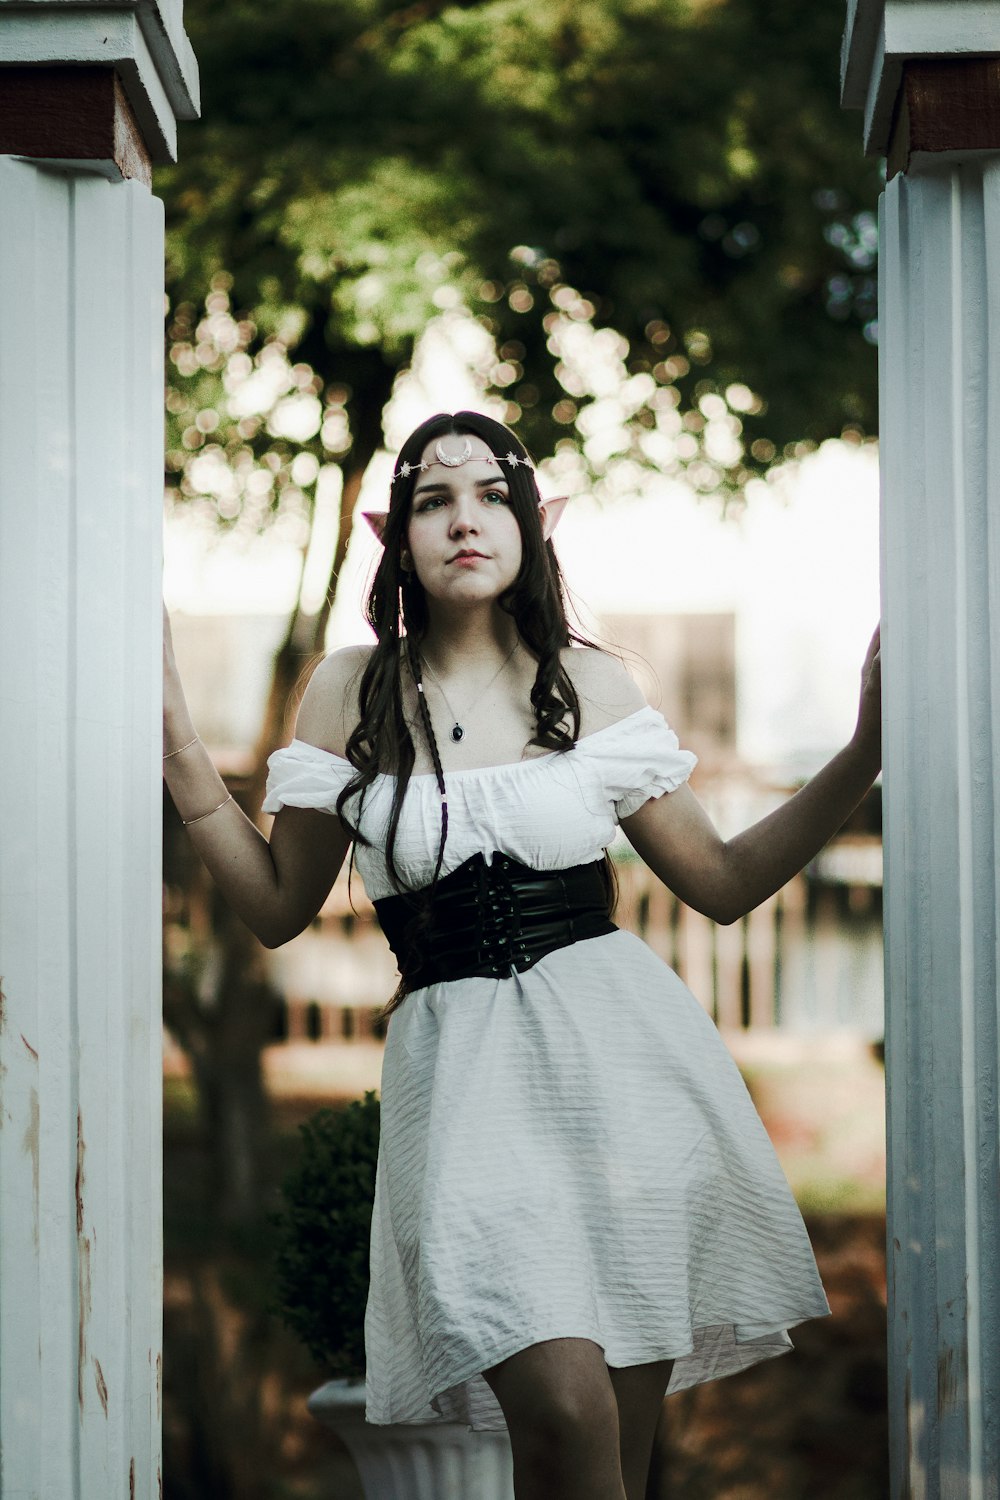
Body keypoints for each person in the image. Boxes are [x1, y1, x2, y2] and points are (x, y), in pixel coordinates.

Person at [162, 409, 882, 1500]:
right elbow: (275, 908)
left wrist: (862, 755)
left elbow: (723, 884)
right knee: (563, 1411)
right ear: (391, 532)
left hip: (625, 1077)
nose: (464, 521)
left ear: (534, 524)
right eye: (433, 500)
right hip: (459, 1090)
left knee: (612, 1467)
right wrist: (180, 758)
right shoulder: (348, 691)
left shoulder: (593, 687)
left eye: (492, 495)